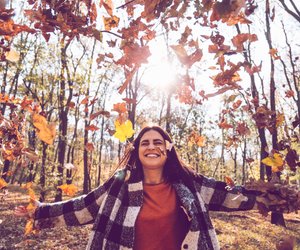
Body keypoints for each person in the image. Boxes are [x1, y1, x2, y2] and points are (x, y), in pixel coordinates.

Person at [15, 125, 299, 250]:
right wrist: (38, 212)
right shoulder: (120, 184)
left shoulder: (189, 183)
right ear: (137, 150)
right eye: (145, 143)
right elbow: (84, 206)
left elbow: (231, 196)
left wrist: (274, 196)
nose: (151, 146)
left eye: (158, 142)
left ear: (168, 150)